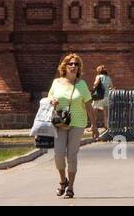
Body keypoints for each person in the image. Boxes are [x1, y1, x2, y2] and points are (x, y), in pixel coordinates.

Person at [48, 53, 92, 198]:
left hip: (78, 123)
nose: (73, 66)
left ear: (79, 68)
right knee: (59, 154)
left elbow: (88, 105)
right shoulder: (57, 82)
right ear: (65, 66)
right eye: (70, 64)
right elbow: (49, 97)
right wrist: (52, 101)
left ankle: (71, 188)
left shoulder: (82, 84)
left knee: (72, 155)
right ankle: (62, 181)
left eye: (76, 64)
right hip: (60, 123)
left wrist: (95, 126)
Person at [88, 64, 112, 139]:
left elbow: (95, 84)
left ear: (99, 71)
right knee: (106, 113)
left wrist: (94, 87)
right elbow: (111, 86)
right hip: (107, 97)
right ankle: (106, 126)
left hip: (99, 96)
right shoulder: (108, 78)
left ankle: (93, 126)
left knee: (94, 111)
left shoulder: (98, 77)